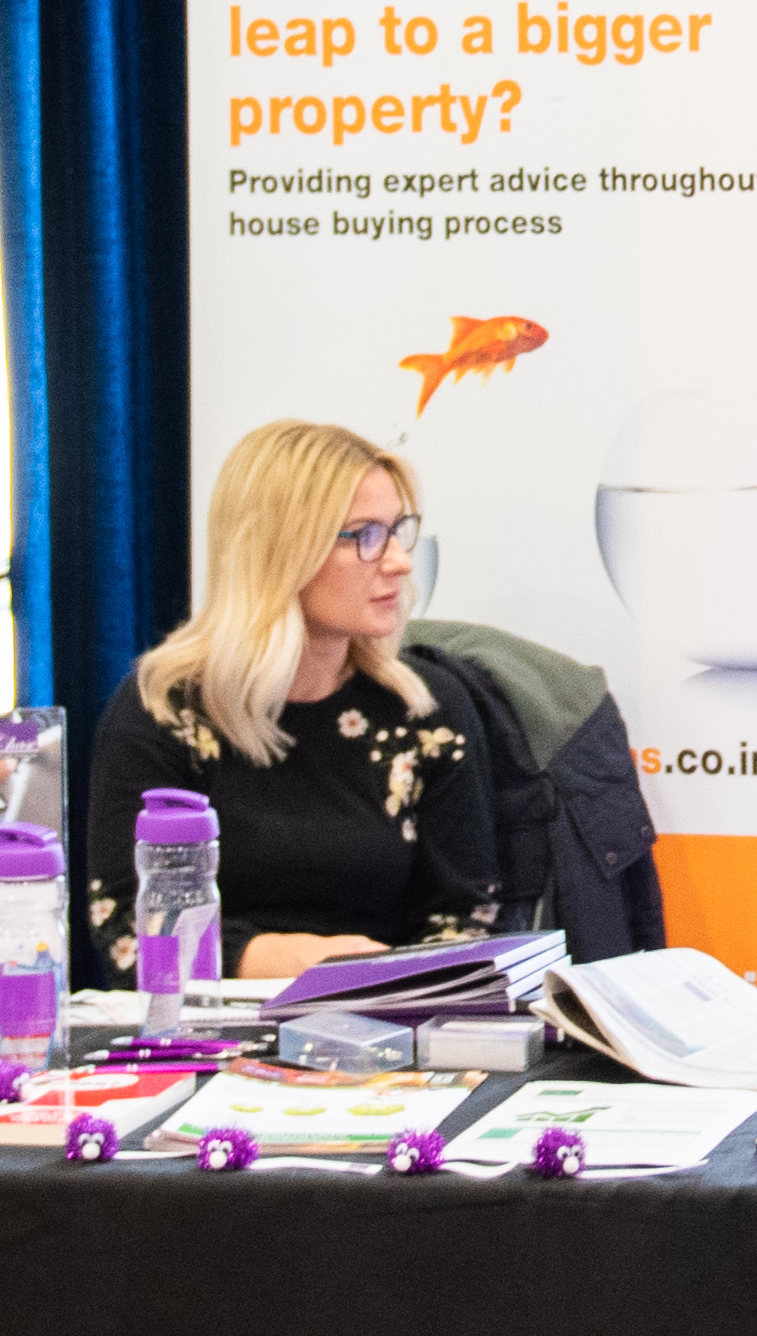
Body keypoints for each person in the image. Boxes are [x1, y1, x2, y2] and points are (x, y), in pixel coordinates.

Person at [84, 419, 501, 988]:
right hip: (212, 1021)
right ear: (279, 551)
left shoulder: (425, 712)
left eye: (397, 531)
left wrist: (374, 986)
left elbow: (465, 918)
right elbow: (128, 931)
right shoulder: (163, 711)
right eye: (365, 536)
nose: (400, 561)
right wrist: (292, 964)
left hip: (390, 1015)